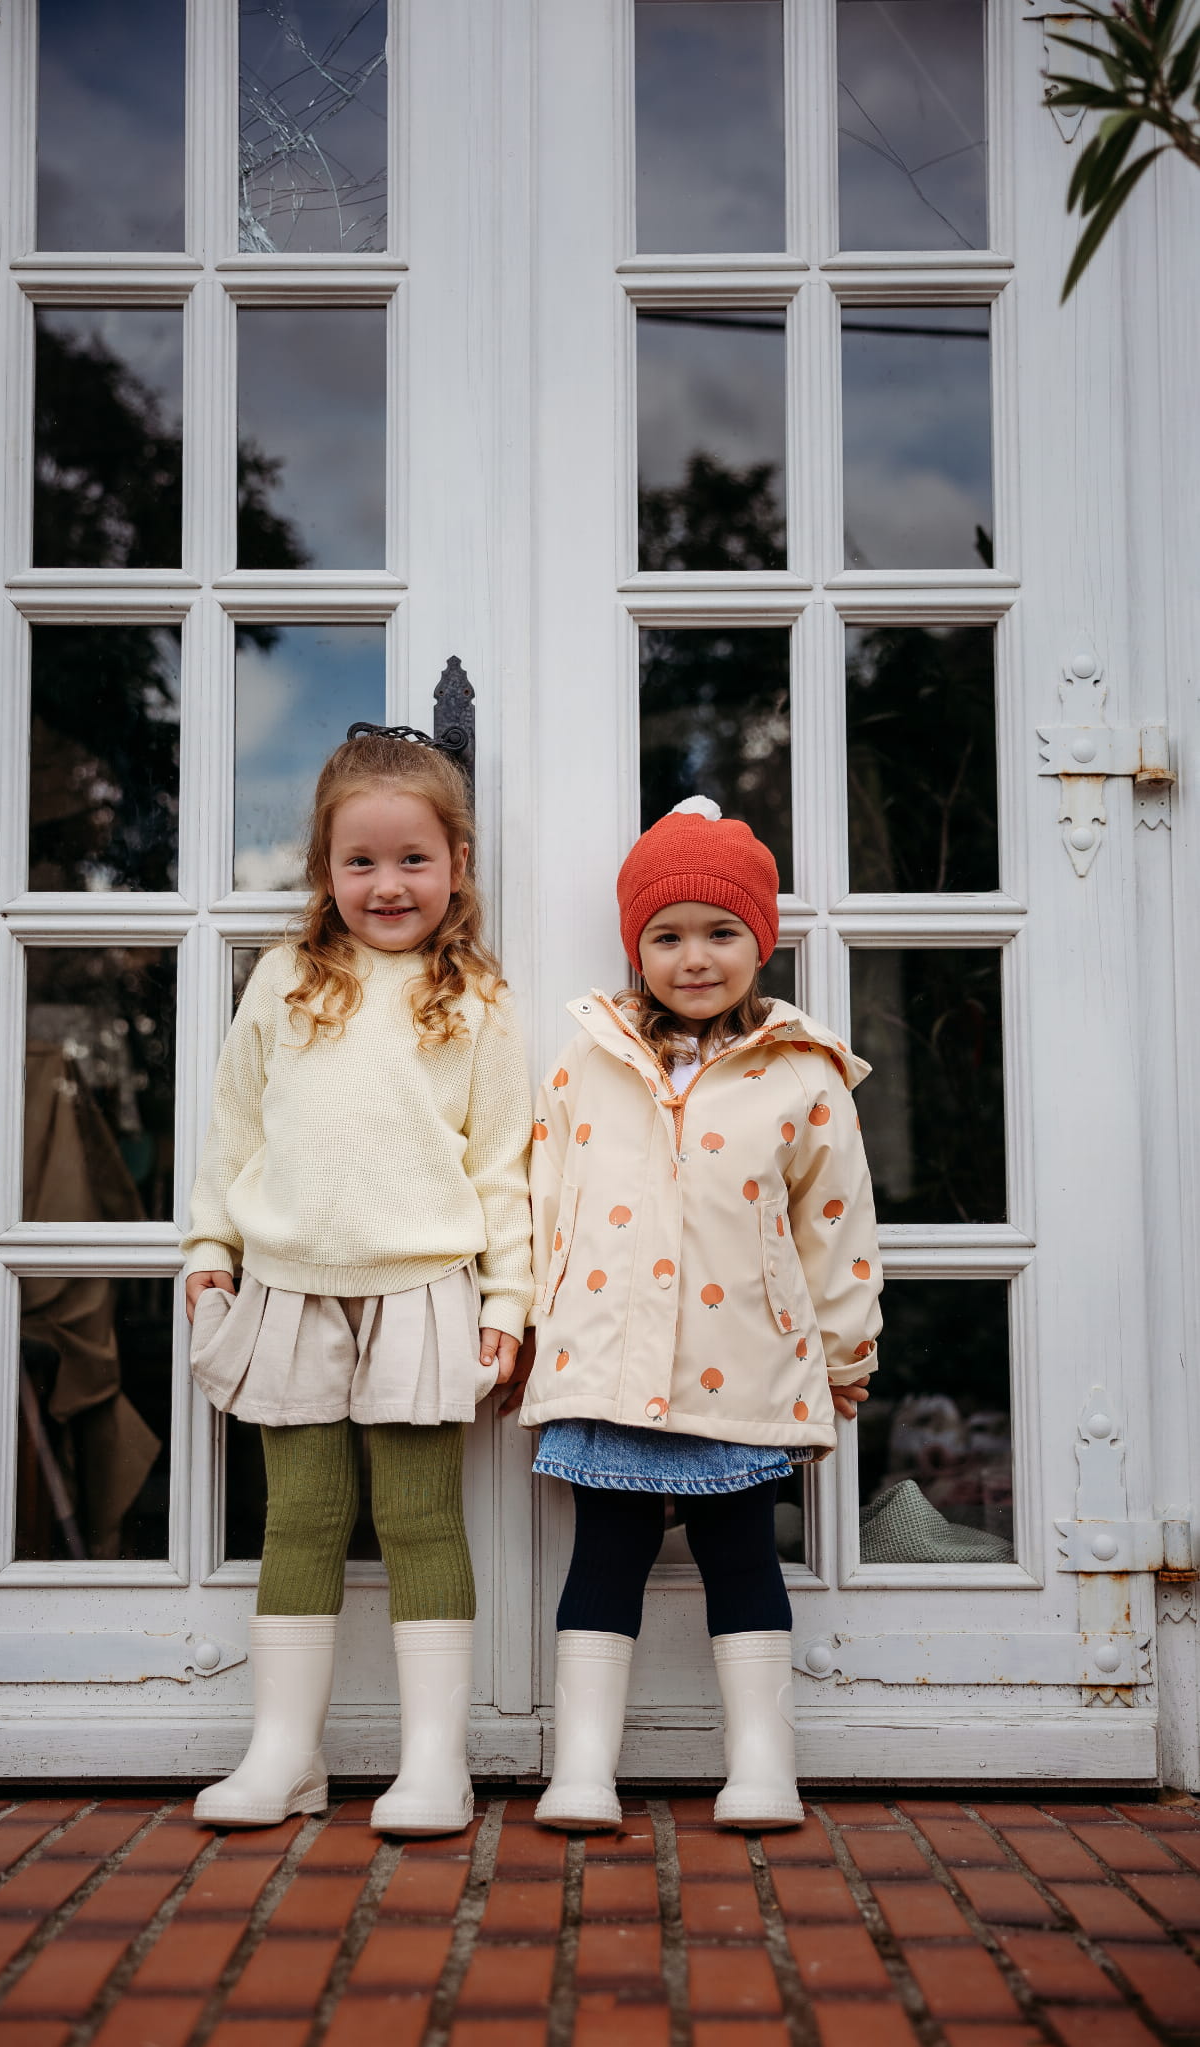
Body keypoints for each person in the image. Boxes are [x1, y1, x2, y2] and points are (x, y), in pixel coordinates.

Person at [182, 730, 533, 1834]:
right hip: (288, 1284)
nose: (388, 884)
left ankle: (435, 1764)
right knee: (300, 1518)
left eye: (414, 859)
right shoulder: (285, 979)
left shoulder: (475, 997)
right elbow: (233, 1126)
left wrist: (508, 1302)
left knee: (420, 1517)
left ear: (457, 864)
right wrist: (208, 1249)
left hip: (424, 1288)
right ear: (323, 868)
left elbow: (504, 1165)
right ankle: (284, 1754)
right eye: (361, 861)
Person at [517, 796, 882, 1830]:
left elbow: (836, 1225)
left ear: (760, 941)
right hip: (606, 1360)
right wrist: (532, 1326)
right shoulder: (587, 1060)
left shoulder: (803, 1074)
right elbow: (544, 1200)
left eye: (720, 932)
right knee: (606, 1553)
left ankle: (763, 1764)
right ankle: (582, 1767)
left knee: (741, 1554)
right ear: (636, 949)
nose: (694, 958)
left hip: (743, 1360)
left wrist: (845, 1349)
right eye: (666, 935)